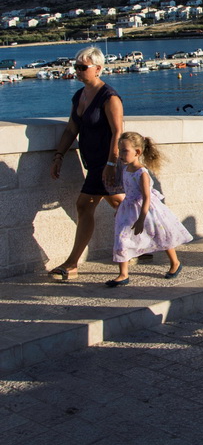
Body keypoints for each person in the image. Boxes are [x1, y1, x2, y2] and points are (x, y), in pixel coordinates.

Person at [49, 46, 124, 281]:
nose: (78, 71)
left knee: (84, 206)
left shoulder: (109, 97)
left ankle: (72, 264)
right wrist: (59, 155)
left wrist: (111, 165)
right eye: (76, 67)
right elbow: (72, 128)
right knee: (122, 205)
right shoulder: (79, 96)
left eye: (83, 67)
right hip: (92, 162)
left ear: (98, 69)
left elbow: (118, 132)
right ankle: (156, 241)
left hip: (106, 162)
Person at [108, 132, 192, 287]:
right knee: (122, 239)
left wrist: (141, 218)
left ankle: (175, 262)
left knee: (162, 236)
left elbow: (146, 197)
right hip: (128, 208)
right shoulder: (126, 169)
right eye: (120, 151)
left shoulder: (142, 173)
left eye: (125, 151)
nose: (121, 155)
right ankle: (123, 274)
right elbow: (128, 192)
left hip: (146, 210)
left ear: (137, 152)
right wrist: (121, 209)